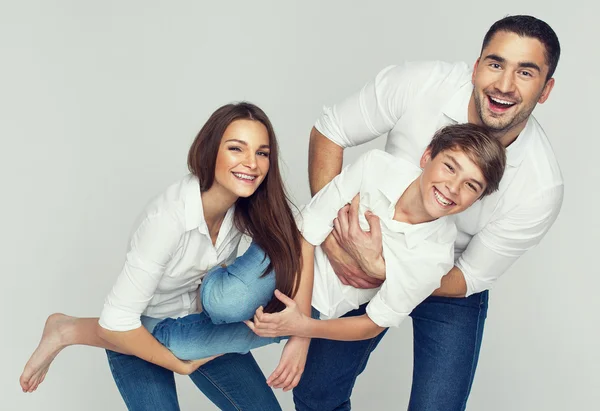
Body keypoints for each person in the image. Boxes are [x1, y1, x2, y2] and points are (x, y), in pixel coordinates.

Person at [292, 14, 564, 411]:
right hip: (360, 245)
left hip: (444, 279)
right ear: (476, 66)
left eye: (526, 72)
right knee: (317, 392)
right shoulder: (419, 83)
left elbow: (467, 276)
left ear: (546, 89)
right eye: (495, 64)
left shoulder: (541, 187)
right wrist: (336, 242)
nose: (504, 86)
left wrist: (390, 271)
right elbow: (330, 131)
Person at [19, 102, 314, 411]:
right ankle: (65, 329)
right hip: (135, 334)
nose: (251, 163)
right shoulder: (167, 220)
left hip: (201, 323)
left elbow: (303, 236)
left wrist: (301, 335)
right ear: (210, 149)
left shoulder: (250, 204)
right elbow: (117, 322)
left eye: (262, 153)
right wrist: (179, 363)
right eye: (236, 149)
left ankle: (69, 328)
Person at [247, 123, 505, 342]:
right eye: (449, 167)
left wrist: (303, 327)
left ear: (478, 199)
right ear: (427, 157)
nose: (452, 187)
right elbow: (307, 231)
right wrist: (299, 340)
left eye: (471, 186)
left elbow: (373, 323)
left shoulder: (434, 258)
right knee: (228, 302)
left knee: (226, 341)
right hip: (286, 251)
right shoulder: (377, 167)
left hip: (319, 305)